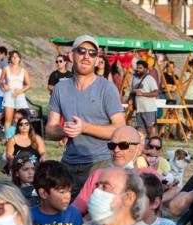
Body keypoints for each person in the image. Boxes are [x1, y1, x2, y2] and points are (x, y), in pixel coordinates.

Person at [45, 35, 125, 199]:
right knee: (63, 214)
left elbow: (119, 129)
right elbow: (50, 131)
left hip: (100, 162)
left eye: (92, 53)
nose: (86, 56)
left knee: (95, 215)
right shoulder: (60, 88)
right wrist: (63, 130)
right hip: (69, 162)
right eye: (81, 51)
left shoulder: (107, 88)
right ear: (71, 55)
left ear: (97, 60)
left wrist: (84, 127)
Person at [71, 125, 157, 215]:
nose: (116, 150)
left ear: (139, 149)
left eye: (123, 145)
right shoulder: (98, 175)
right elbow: (76, 209)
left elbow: (149, 212)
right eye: (112, 145)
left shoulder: (148, 175)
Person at [30, 160, 83, 225]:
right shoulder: (28, 217)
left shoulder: (73, 214)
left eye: (69, 191)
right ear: (43, 193)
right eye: (62, 192)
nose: (68, 196)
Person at [0, 51, 31, 135]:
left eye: (17, 56)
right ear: (10, 58)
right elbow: (0, 81)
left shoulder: (24, 71)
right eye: (13, 57)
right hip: (9, 94)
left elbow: (29, 85)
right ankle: (8, 139)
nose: (15, 58)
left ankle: (22, 136)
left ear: (19, 58)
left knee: (23, 118)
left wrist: (20, 91)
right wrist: (4, 85)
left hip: (19, 94)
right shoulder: (6, 69)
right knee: (8, 119)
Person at [131, 59, 159, 138]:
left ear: (145, 69)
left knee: (151, 130)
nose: (138, 70)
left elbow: (156, 93)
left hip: (149, 109)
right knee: (141, 132)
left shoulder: (150, 79)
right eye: (137, 68)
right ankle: (143, 148)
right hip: (139, 109)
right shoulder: (135, 79)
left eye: (140, 68)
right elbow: (133, 92)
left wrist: (142, 93)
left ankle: (153, 147)